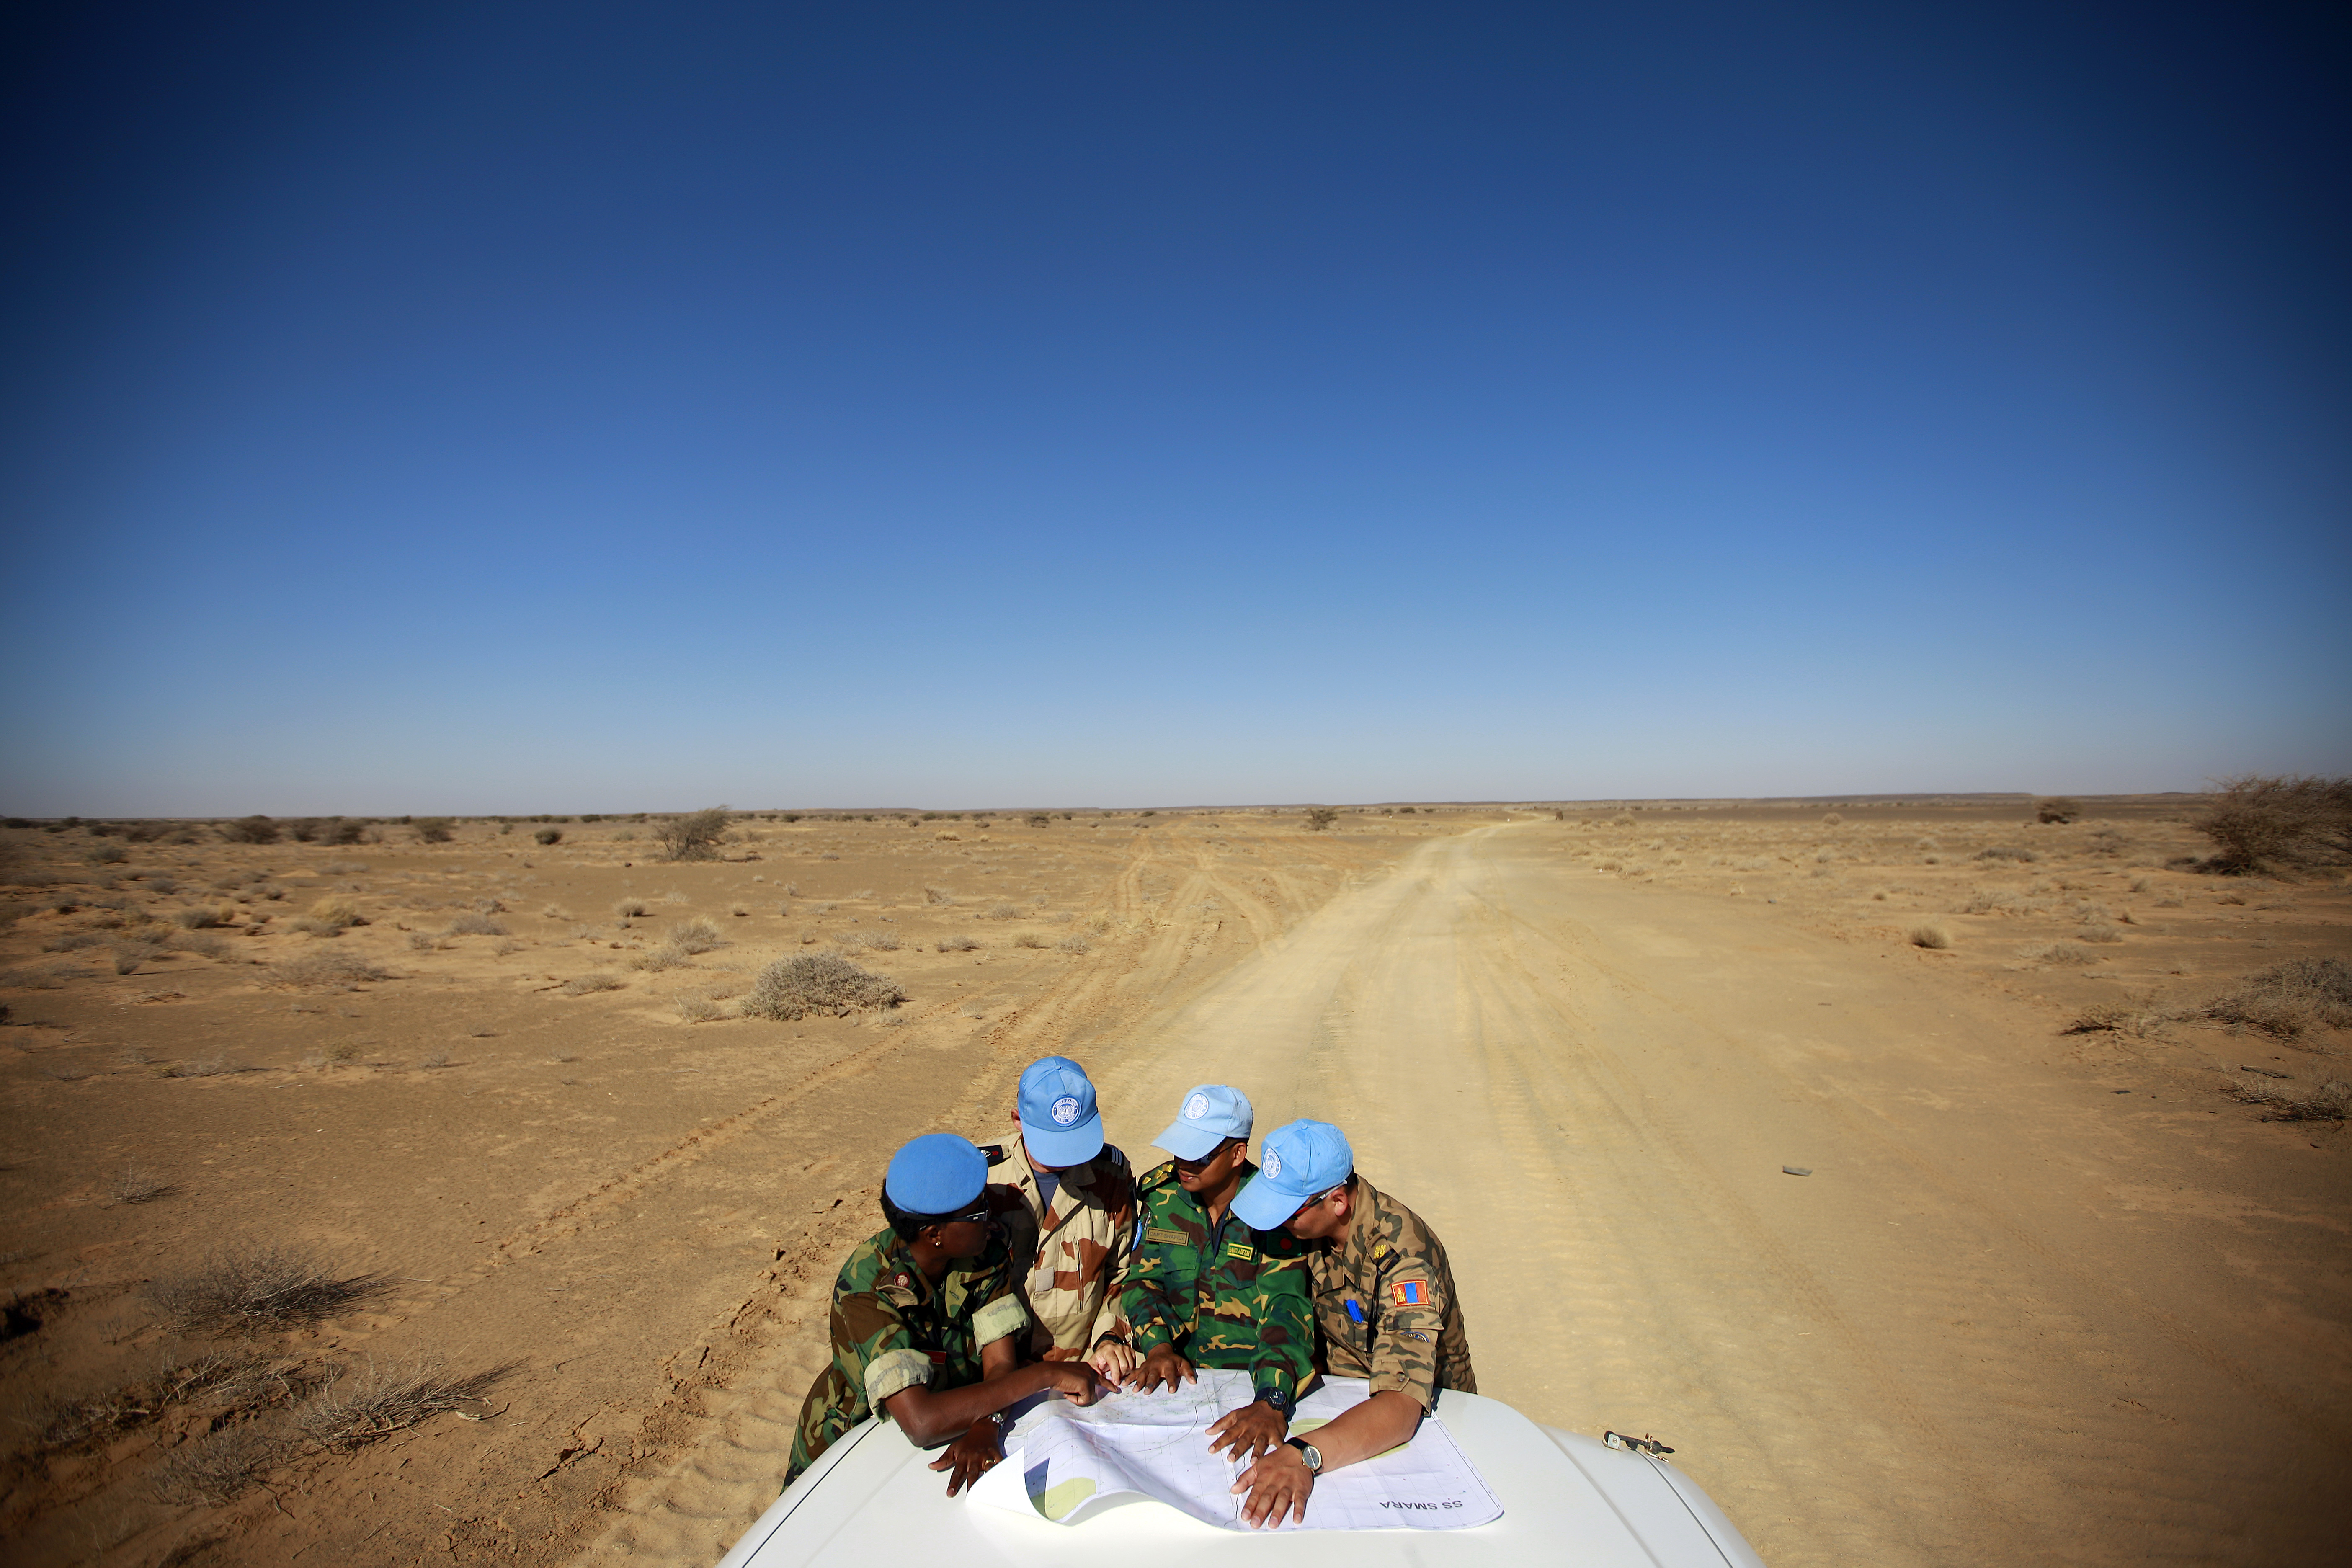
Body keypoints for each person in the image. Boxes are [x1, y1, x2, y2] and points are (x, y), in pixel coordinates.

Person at [784, 1133, 1104, 1496]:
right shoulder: (866, 1289)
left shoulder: (986, 1249)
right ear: (935, 1234)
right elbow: (922, 1421)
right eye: (979, 1211)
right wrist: (1046, 1374)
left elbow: (999, 1363)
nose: (992, 1215)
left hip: (958, 1418)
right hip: (853, 1443)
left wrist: (989, 1421)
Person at [1226, 1119, 1477, 1529]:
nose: (1278, 1223)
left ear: (1337, 1202)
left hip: (1420, 1426)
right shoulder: (1314, 1226)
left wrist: (1303, 1455)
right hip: (1340, 1403)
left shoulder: (1405, 1263)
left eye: (1287, 1211)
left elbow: (1401, 1405)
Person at [1118, 1085, 1313, 1470]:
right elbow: (1144, 1281)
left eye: (1200, 1155)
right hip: (1175, 1385)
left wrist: (1272, 1398)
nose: (1184, 1164)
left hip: (1249, 1394)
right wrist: (1158, 1347)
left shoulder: (1271, 1212)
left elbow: (1286, 1308)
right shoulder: (1163, 1197)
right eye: (1180, 1150)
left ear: (1238, 1154)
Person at [977, 1056, 1141, 1382]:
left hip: (1087, 1367)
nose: (1067, 1158)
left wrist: (1110, 1337)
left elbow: (1122, 1272)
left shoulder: (1111, 1174)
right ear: (1017, 1120)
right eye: (1052, 1144)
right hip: (997, 1378)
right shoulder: (984, 1178)